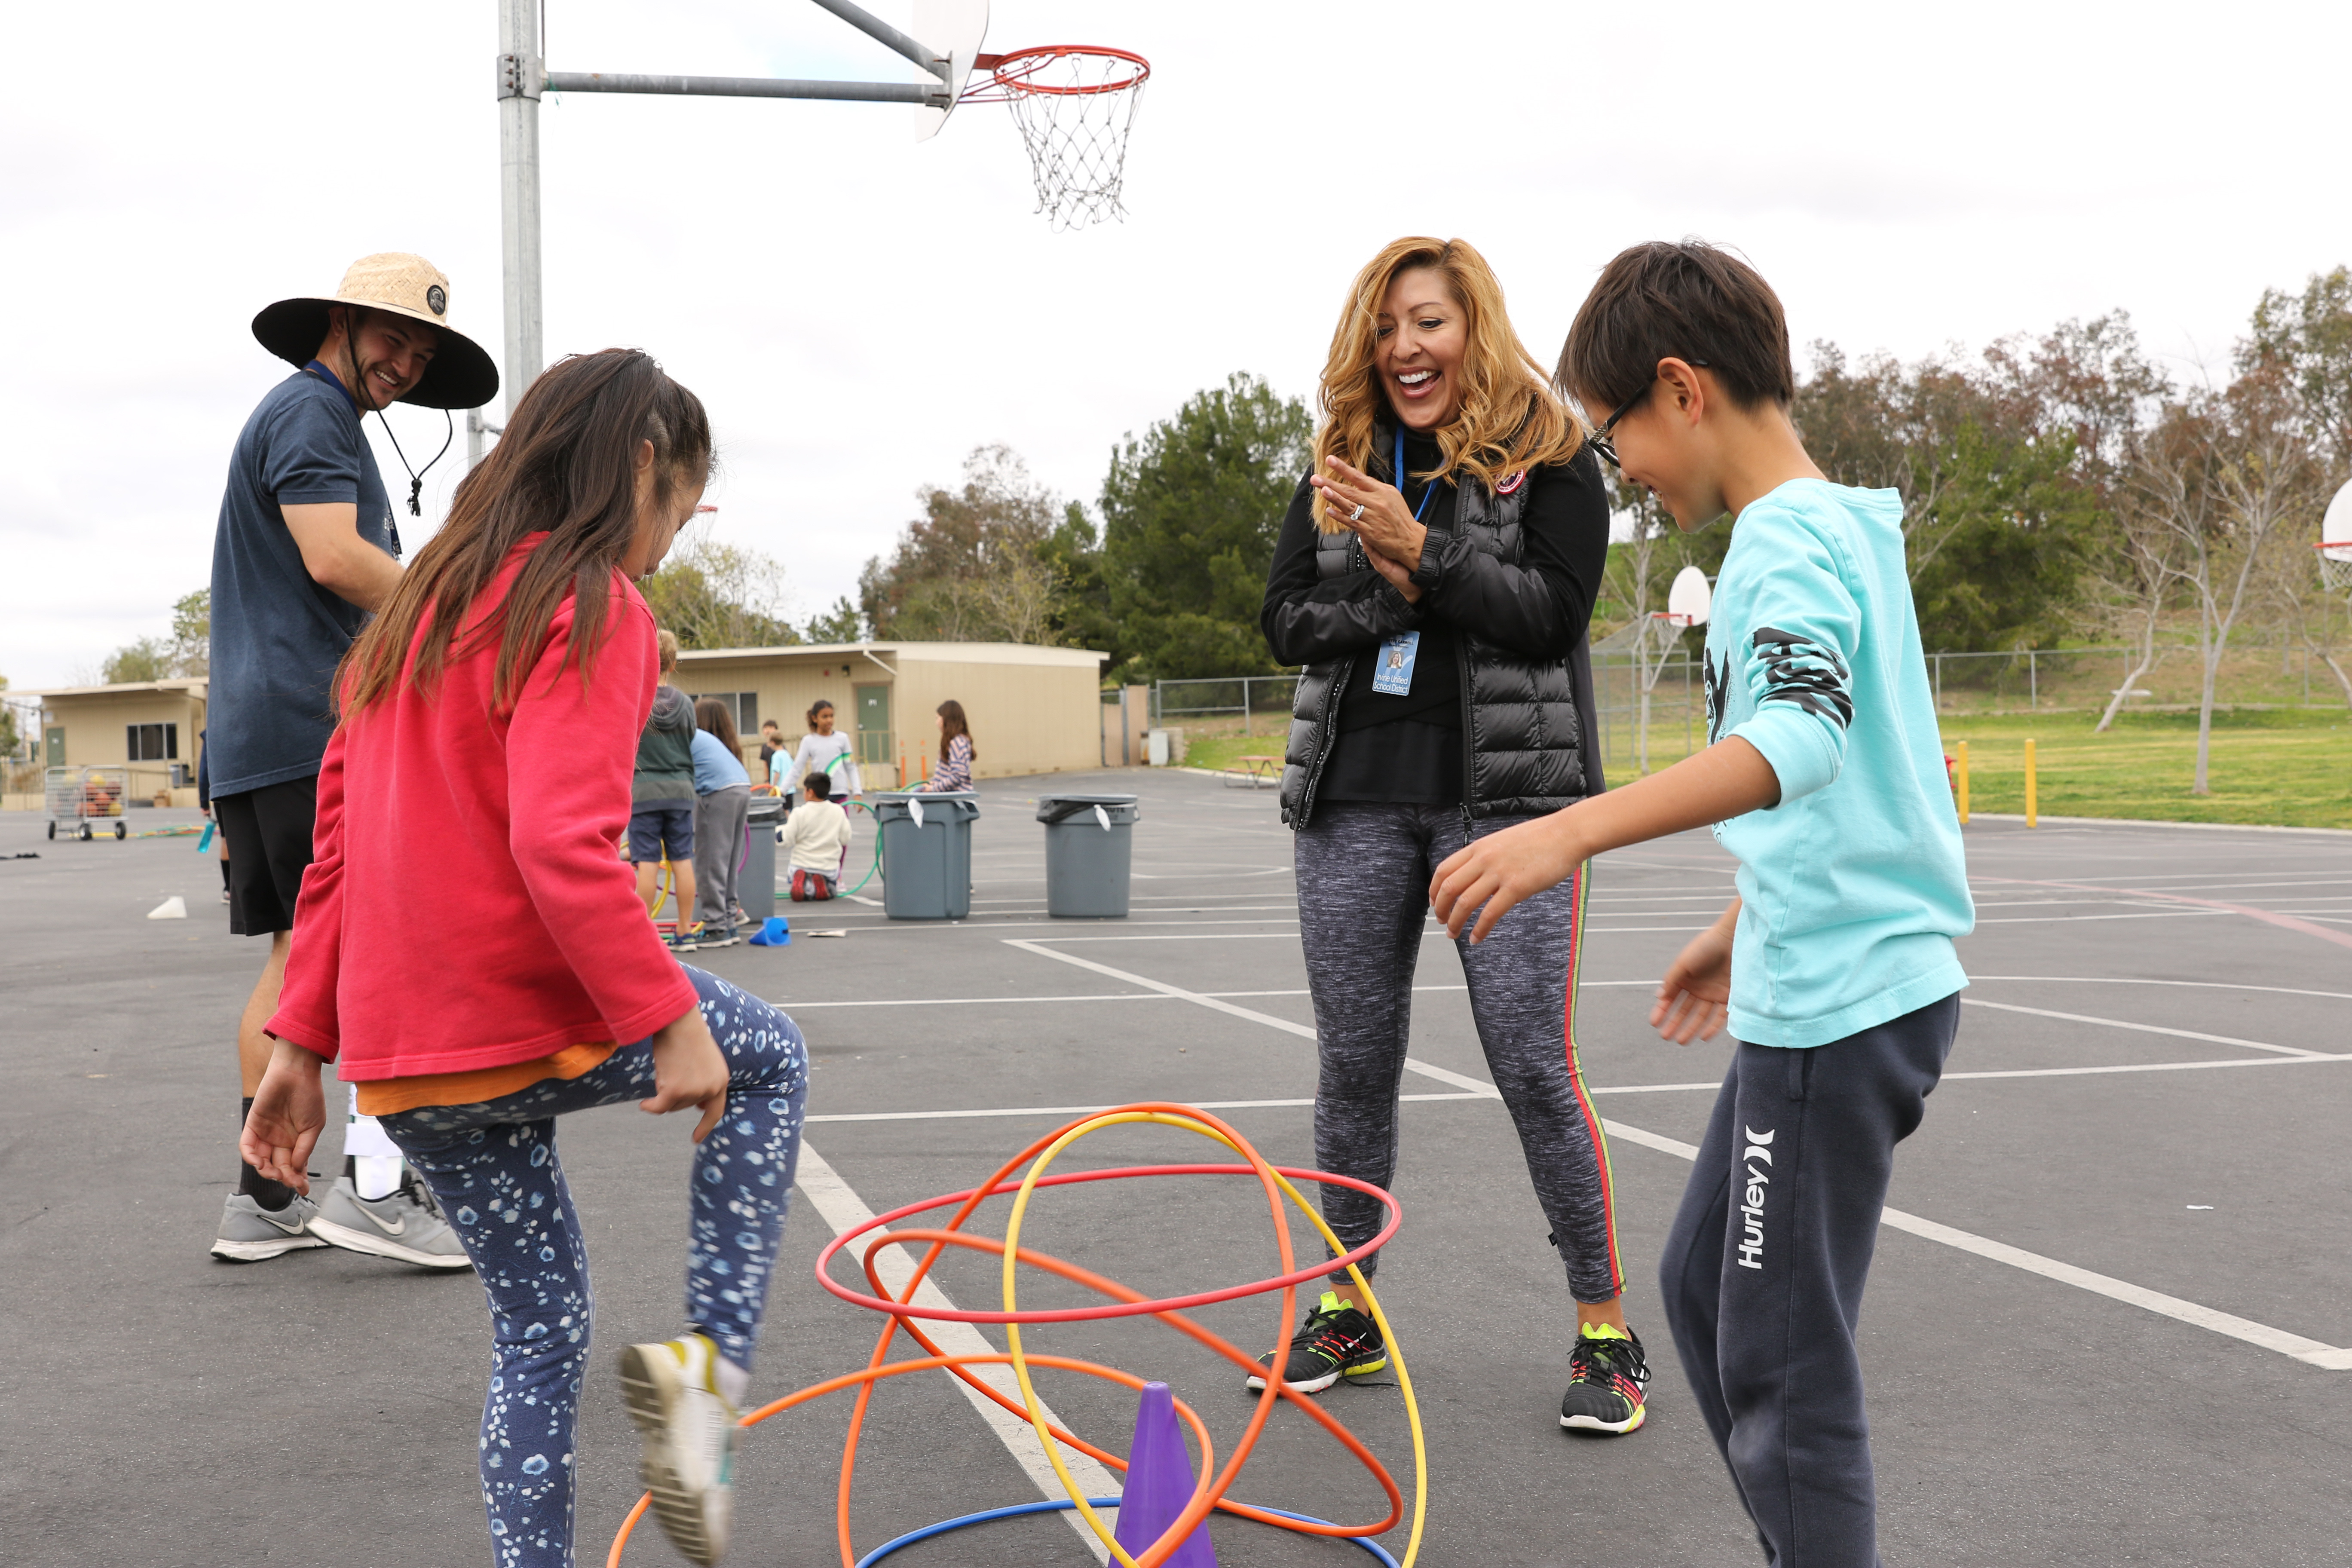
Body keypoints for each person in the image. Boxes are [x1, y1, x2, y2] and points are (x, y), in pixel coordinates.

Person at [1430, 241, 1974, 1565]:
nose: (1627, 481)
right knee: (1695, 1287)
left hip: (1837, 1017)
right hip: (1835, 981)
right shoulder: (1845, 524)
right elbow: (1873, 777)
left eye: (1616, 446)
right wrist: (1741, 923)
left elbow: (1796, 741)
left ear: (1680, 390)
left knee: (1783, 1364)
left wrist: (1566, 829)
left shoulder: (1782, 541)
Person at [241, 348, 808, 1568]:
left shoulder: (405, 622)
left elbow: (330, 863)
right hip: (517, 1015)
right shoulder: (593, 602)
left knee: (540, 1333)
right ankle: (696, 1416)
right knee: (767, 1056)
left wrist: (300, 1051)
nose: (671, 539)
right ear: (642, 466)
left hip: (399, 1063)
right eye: (678, 506)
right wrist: (668, 1016)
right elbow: (560, 844)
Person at [1256, 236, 1644, 1432]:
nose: (1405, 348)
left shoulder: (1556, 457)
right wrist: (1391, 588)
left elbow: (1552, 615)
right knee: (1353, 1071)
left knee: (1532, 1064)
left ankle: (1606, 1335)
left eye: (1427, 322)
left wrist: (1426, 552)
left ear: (1472, 325)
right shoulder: (1340, 464)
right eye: (1386, 327)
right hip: (1355, 800)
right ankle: (1345, 1308)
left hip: (1508, 806)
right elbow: (1284, 621)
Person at [206, 252, 493, 1267]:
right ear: (339, 322)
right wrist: (459, 611)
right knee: (373, 954)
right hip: (304, 728)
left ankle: (267, 1201)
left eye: (421, 351)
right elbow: (333, 555)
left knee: (294, 962)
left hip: (255, 735)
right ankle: (374, 1189)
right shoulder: (314, 415)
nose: (406, 362)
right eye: (392, 337)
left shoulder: (305, 417)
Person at [632, 630, 701, 949]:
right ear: (673, 665)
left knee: (646, 861)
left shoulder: (636, 699)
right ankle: (685, 930)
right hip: (681, 790)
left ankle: (644, 934)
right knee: (682, 859)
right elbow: (690, 742)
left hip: (644, 791)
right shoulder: (686, 704)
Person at [690, 697, 752, 944]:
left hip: (717, 792)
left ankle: (716, 926)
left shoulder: (683, 736)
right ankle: (728, 918)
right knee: (727, 860)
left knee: (710, 861)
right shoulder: (709, 740)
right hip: (741, 786)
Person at [777, 771, 854, 900]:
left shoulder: (799, 813)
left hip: (801, 864)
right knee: (832, 888)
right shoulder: (838, 811)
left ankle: (805, 884)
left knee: (799, 873)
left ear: (810, 792)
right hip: (828, 867)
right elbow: (846, 838)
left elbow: (787, 840)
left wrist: (777, 834)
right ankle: (824, 885)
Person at [785, 697, 859, 800]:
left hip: (840, 794)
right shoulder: (808, 741)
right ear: (815, 719)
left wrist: (858, 792)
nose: (829, 720)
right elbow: (797, 768)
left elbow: (851, 767)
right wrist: (782, 790)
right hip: (819, 795)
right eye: (824, 717)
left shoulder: (843, 738)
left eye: (831, 716)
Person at [914, 698, 974, 792]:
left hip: (955, 799)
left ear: (946, 720)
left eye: (937, 718)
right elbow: (946, 775)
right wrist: (932, 784)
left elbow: (958, 776)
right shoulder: (960, 741)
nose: (936, 723)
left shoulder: (956, 742)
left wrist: (933, 789)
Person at [755, 717, 787, 789]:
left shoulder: (780, 748)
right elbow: (766, 765)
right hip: (772, 781)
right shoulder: (764, 747)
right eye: (766, 728)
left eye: (771, 728)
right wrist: (767, 781)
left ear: (777, 731)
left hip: (781, 782)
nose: (768, 730)